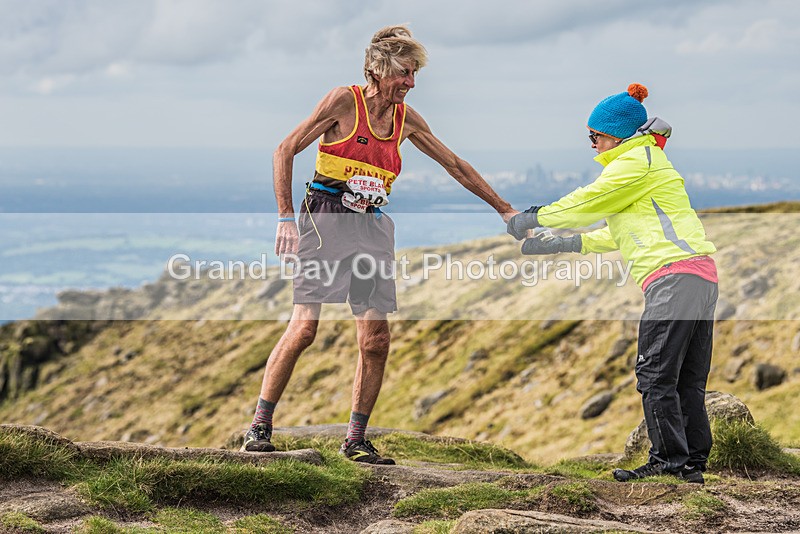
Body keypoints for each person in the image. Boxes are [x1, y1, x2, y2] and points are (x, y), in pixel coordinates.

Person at [242, 25, 516, 464]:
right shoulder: (342, 102)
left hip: (371, 226)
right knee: (305, 329)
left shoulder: (406, 119)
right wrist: (285, 217)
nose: (410, 83)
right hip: (325, 218)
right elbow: (285, 149)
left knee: (376, 339)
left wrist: (504, 209)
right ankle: (258, 428)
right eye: (405, 73)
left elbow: (456, 165)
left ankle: (355, 440)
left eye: (414, 75)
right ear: (378, 69)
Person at [507, 84, 718, 484]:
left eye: (594, 136)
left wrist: (534, 217)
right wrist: (562, 245)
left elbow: (590, 199)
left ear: (615, 134)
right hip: (699, 277)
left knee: (655, 375)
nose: (592, 145)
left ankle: (669, 463)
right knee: (686, 379)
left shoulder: (636, 161)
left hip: (673, 279)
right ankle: (690, 465)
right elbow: (616, 232)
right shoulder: (646, 164)